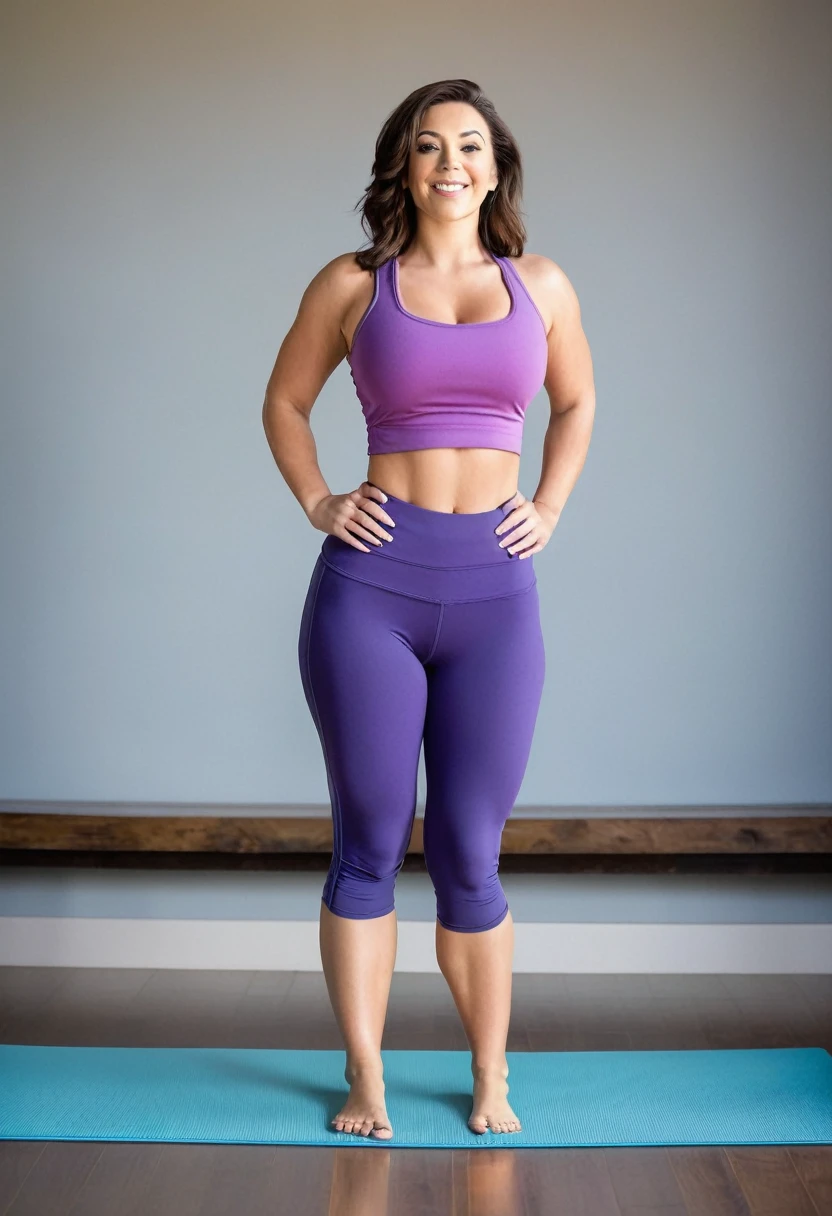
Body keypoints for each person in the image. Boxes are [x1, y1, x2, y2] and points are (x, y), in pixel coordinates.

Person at [262, 78, 595, 1141]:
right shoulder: (353, 284)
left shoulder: (541, 285)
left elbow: (578, 399)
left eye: (467, 145)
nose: (448, 161)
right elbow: (284, 400)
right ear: (401, 167)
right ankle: (367, 1078)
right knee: (366, 841)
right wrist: (320, 498)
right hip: (372, 588)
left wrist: (547, 502)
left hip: (495, 591)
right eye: (425, 145)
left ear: (495, 167)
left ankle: (490, 1072)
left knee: (468, 847)